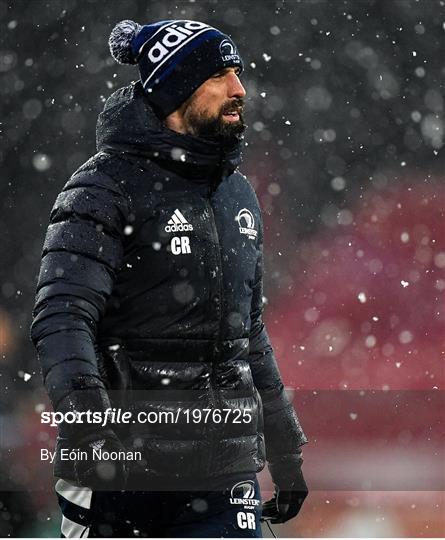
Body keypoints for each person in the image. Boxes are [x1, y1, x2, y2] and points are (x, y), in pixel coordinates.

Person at [30, 18, 308, 538]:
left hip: (223, 474)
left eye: (238, 73)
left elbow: (246, 334)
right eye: (221, 75)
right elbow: (62, 320)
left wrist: (285, 448)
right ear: (176, 90)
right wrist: (91, 426)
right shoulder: (101, 189)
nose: (240, 89)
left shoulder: (237, 194)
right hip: (122, 475)